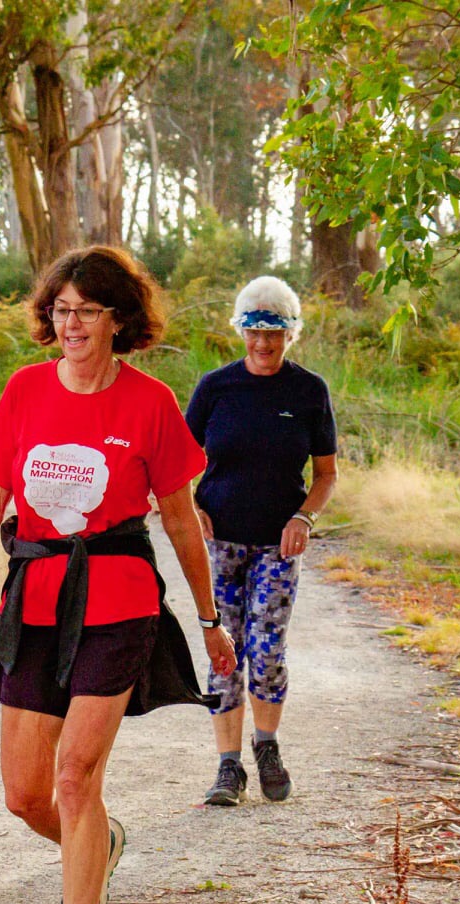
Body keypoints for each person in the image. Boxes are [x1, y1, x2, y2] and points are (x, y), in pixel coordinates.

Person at [0, 246, 237, 904]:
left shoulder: (152, 404)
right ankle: (97, 845)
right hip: (32, 603)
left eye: (87, 311)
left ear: (117, 320)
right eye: (61, 309)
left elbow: (181, 523)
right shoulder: (27, 390)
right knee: (27, 797)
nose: (71, 323)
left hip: (119, 601)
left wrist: (207, 617)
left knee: (75, 778)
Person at [184, 275, 338, 808]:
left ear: (292, 334)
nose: (264, 343)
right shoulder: (215, 388)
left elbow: (325, 475)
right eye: (255, 332)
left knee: (267, 651)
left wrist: (304, 518)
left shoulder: (308, 391)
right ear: (240, 332)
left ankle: (266, 748)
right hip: (221, 543)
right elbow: (177, 462)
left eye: (275, 332)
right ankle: (228, 768)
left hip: (278, 545)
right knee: (225, 651)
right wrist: (192, 507)